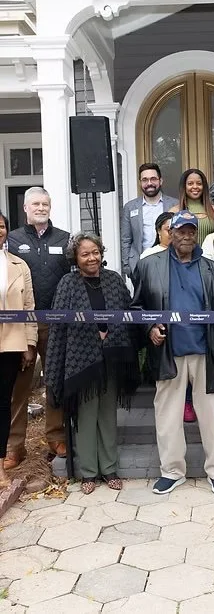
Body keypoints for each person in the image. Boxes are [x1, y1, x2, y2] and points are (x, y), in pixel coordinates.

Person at [133, 210, 214, 496]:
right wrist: (150, 327)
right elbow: (136, 308)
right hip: (168, 351)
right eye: (180, 230)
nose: (186, 235)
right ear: (170, 233)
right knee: (167, 414)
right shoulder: (148, 266)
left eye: (191, 230)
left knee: (212, 414)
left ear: (196, 234)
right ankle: (172, 471)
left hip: (206, 352)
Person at [45, 232, 140, 495]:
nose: (92, 258)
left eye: (95, 252)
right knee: (85, 418)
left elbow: (127, 311)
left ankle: (109, 469)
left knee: (107, 416)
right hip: (81, 361)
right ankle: (89, 471)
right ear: (75, 258)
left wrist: (111, 332)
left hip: (110, 358)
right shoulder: (67, 283)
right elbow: (59, 327)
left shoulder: (113, 280)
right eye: (85, 254)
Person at [6, 186, 70, 470]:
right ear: (26, 208)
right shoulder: (13, 239)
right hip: (23, 323)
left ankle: (56, 437)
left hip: (57, 322)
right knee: (18, 386)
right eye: (36, 204)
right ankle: (14, 445)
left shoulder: (65, 239)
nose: (41, 208)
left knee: (55, 382)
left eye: (45, 203)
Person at [0, 212, 37, 488]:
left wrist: (29, 344)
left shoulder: (19, 265)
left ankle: (0, 466)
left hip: (10, 346)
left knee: (3, 405)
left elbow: (29, 308)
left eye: (1, 226)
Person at [121, 163, 178, 279]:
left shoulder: (175, 205)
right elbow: (126, 239)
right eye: (145, 180)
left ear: (160, 181)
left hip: (169, 263)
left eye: (153, 179)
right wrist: (127, 266)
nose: (149, 183)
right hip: (139, 265)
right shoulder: (130, 207)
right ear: (140, 182)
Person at [171, 169, 214, 246]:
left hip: (212, 257)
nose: (195, 187)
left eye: (199, 183)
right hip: (185, 257)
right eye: (190, 183)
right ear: (184, 186)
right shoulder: (175, 212)